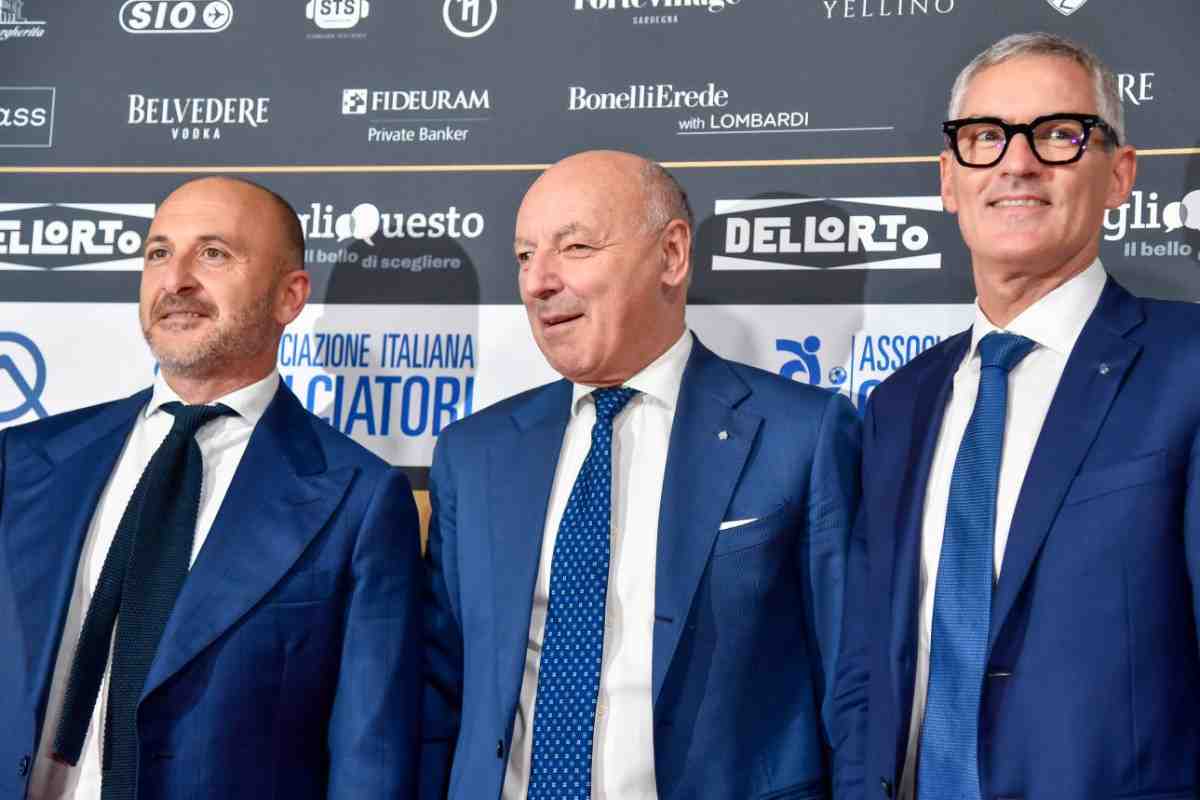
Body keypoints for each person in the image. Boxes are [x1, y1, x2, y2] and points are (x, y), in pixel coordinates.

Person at [422, 150, 861, 799]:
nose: (538, 280)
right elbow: (438, 690)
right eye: (524, 255)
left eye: (575, 247)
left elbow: (853, 685)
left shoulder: (804, 434)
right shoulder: (474, 453)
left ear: (671, 255)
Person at [833, 32, 1200, 800]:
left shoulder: (1186, 367)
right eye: (985, 137)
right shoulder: (899, 404)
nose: (1017, 163)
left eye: (1059, 134)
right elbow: (869, 661)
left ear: (1120, 175)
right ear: (948, 179)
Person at [0, 177, 422, 799]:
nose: (175, 281)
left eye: (213, 254)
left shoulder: (360, 499)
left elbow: (371, 758)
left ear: (289, 296)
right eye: (158, 253)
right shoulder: (25, 461)